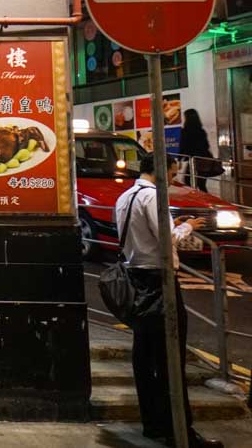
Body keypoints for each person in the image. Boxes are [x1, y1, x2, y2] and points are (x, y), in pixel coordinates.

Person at [114, 154, 222, 447]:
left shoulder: (124, 197)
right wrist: (188, 227)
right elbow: (165, 238)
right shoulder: (152, 197)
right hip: (158, 280)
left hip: (135, 277)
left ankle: (153, 423)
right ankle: (181, 431)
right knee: (170, 357)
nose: (173, 180)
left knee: (144, 353)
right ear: (161, 171)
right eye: (172, 173)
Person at [179, 109, 215, 193]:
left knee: (188, 182)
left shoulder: (185, 131)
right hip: (205, 160)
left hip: (194, 160)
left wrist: (179, 159)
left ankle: (195, 201)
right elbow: (206, 146)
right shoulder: (201, 131)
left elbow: (183, 146)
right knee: (201, 184)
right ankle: (206, 202)